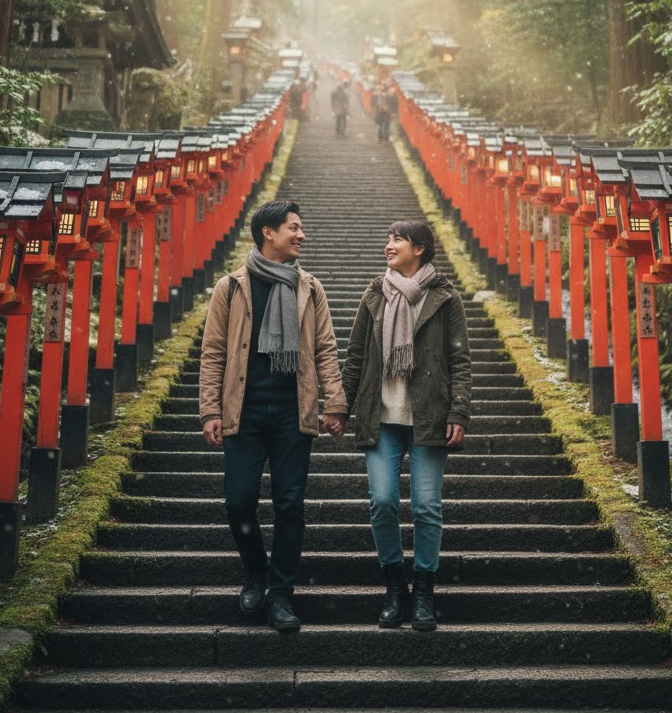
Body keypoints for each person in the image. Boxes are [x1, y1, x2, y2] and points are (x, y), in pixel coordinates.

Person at [200, 200, 348, 633]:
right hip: (241, 413)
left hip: (291, 413)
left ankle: (281, 593)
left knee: (289, 504)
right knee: (238, 501)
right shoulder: (230, 287)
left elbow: (324, 349)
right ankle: (256, 572)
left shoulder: (310, 288)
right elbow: (213, 353)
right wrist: (210, 408)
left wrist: (335, 403)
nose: (302, 235)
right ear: (268, 232)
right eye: (294, 228)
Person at [341, 220, 472, 632]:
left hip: (428, 417)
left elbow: (460, 361)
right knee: (382, 502)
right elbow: (355, 356)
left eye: (397, 239)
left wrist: (459, 413)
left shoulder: (445, 298)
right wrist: (340, 407)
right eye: (388, 239)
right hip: (381, 417)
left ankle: (424, 593)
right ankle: (395, 587)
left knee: (426, 508)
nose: (389, 245)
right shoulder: (375, 293)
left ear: (420, 248)